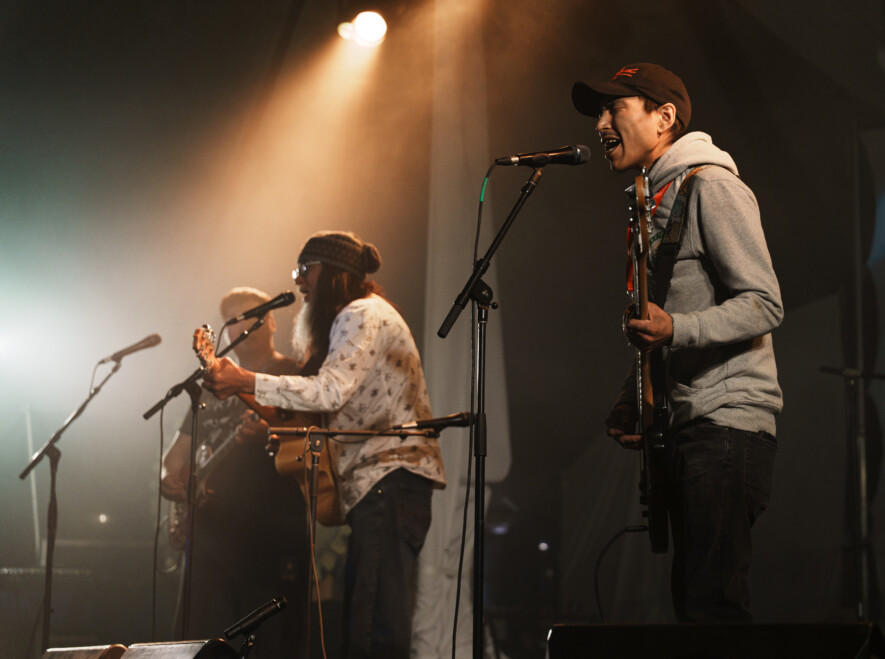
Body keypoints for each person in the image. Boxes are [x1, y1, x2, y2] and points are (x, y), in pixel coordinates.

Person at [572, 63, 783, 622]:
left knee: (711, 608)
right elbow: (668, 315)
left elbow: (765, 303)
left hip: (726, 423)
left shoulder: (712, 185)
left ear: (664, 117)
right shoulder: (653, 199)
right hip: (689, 424)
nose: (600, 123)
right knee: (693, 606)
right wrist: (634, 394)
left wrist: (676, 330)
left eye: (614, 108)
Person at [202, 230, 447, 658]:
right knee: (368, 623)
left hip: (388, 477)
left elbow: (330, 391)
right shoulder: (359, 316)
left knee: (374, 630)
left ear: (334, 272)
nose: (298, 281)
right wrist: (288, 432)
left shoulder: (361, 313)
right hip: (382, 484)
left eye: (305, 269)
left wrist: (244, 379)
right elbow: (339, 407)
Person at [161, 286, 307, 656]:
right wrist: (169, 482)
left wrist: (270, 431)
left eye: (254, 317)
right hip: (208, 536)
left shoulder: (292, 373)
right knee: (199, 639)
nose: (245, 326)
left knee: (265, 641)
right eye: (234, 320)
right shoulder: (209, 387)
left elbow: (309, 436)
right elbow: (174, 458)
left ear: (272, 322)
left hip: (267, 531)